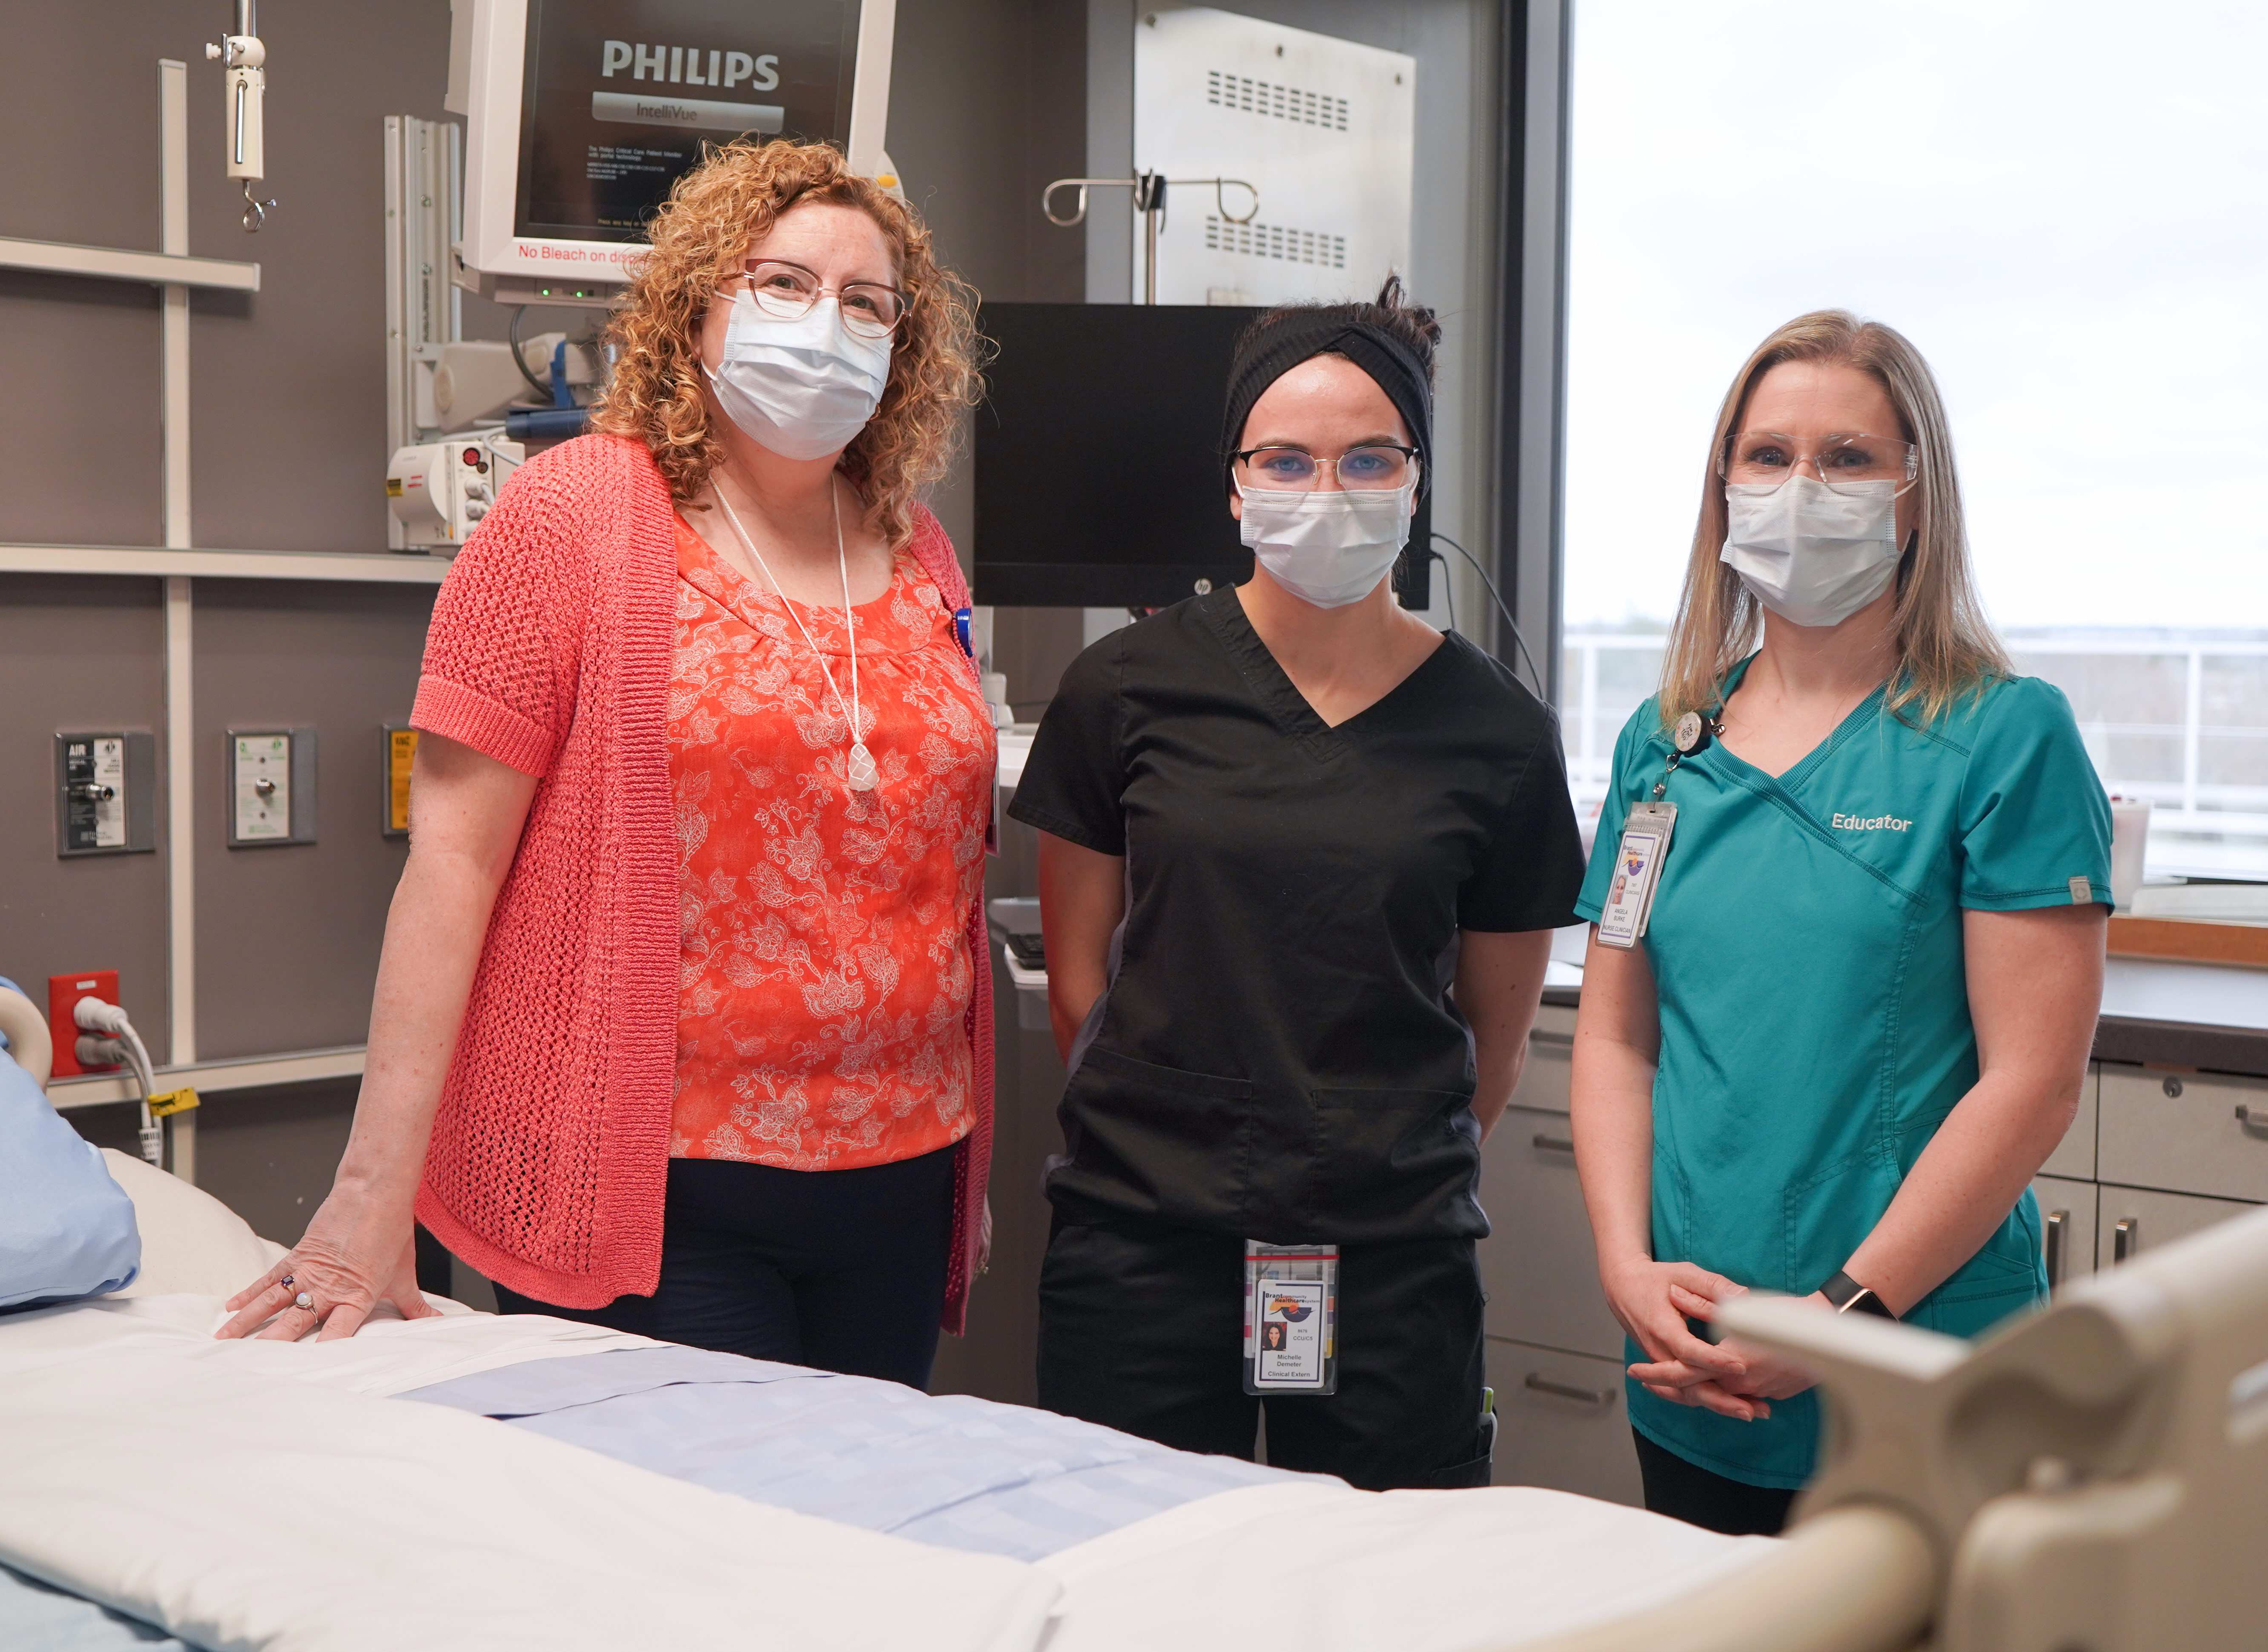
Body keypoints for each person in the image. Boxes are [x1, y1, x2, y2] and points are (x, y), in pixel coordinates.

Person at [217, 141, 995, 1390]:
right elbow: (452, 869)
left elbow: (933, 868)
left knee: (849, 1564)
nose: (828, 325)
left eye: (867, 303)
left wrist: (964, 1175)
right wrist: (375, 1197)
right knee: (685, 1561)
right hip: (657, 1194)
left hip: (897, 1178)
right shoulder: (572, 517)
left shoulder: (920, 553)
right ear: (699, 307)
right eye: (785, 283)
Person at [1009, 278, 1587, 1490]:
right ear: (1234, 481)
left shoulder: (1501, 735)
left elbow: (1495, 1040)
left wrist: (1350, 1160)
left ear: (1419, 480)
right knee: (1137, 1578)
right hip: (1145, 1246)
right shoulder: (1123, 692)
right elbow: (1079, 993)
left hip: (1390, 1259)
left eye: (1370, 460)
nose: (1327, 493)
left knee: (1383, 1590)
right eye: (1288, 459)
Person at [1570, 311, 2110, 1534]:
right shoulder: (1667, 744)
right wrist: (1622, 1265)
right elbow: (1615, 1041)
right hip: (1692, 1355)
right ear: (1722, 490)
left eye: (1849, 458)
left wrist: (1844, 1318)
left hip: (1912, 1373)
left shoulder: (2002, 735)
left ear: (1917, 498)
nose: (1800, 487)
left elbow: (2033, 1084)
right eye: (1767, 455)